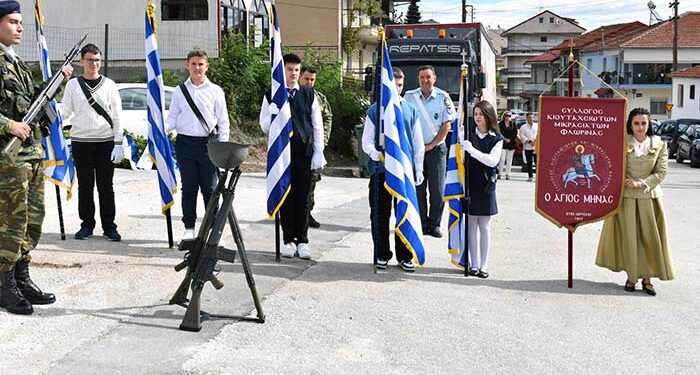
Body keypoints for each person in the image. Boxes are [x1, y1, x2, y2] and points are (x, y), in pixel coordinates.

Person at [0, 1, 73, 315]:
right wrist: (8, 125)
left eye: (21, 22)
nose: (20, 27)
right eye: (14, 21)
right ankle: (4, 284)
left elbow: (30, 105)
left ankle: (21, 275)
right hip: (8, 156)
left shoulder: (17, 63)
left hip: (30, 152)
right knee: (11, 221)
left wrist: (59, 82)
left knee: (32, 218)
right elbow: (13, 117)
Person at [595, 108, 674, 296]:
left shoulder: (659, 144)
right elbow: (611, 165)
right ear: (630, 124)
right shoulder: (621, 143)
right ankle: (632, 276)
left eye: (644, 123)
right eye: (636, 123)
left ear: (649, 124)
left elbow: (661, 172)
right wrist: (623, 182)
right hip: (626, 197)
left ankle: (647, 279)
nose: (640, 127)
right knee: (629, 237)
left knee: (649, 238)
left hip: (650, 198)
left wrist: (642, 182)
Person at [260, 53, 325, 259]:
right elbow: (264, 126)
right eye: (290, 70)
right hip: (283, 154)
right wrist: (273, 115)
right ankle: (288, 239)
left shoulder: (308, 94)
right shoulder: (273, 94)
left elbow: (317, 125)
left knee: (303, 198)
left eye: (297, 70)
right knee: (286, 197)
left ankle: (302, 240)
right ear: (282, 70)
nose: (294, 74)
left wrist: (318, 152)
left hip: (303, 153)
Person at [362, 68, 424, 272]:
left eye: (399, 85)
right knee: (380, 214)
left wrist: (418, 169)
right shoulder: (375, 110)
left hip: (404, 172)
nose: (396, 89)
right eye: (392, 85)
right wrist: (377, 155)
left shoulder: (410, 110)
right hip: (381, 171)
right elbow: (366, 142)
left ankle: (404, 255)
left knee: (403, 212)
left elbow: (418, 143)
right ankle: (381, 253)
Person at [61, 44, 123, 241]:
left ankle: (109, 226)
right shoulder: (72, 85)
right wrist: (50, 116)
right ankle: (87, 225)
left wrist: (118, 142)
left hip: (105, 142)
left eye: (97, 60)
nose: (93, 64)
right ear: (81, 61)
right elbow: (65, 112)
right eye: (89, 60)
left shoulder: (110, 85)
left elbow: (117, 116)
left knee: (106, 186)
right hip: (81, 142)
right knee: (85, 187)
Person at [166, 50, 230, 240]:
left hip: (208, 144)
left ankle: (212, 228)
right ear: (187, 65)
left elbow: (223, 121)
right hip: (185, 143)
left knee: (210, 189)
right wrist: (161, 129)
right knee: (189, 187)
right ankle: (189, 227)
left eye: (201, 64)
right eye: (193, 64)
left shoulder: (215, 91)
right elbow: (173, 117)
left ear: (207, 66)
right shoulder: (179, 91)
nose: (197, 68)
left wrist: (223, 148)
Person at [404, 65, 455, 238]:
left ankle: (434, 224)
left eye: (428, 77)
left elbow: (446, 126)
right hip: (416, 150)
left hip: (436, 149)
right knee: (419, 187)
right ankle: (422, 223)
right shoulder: (409, 97)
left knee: (438, 191)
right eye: (422, 78)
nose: (425, 81)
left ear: (434, 79)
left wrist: (431, 145)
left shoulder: (443, 97)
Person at [460, 100, 503, 278]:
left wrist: (472, 151)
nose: (478, 117)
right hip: (471, 184)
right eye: (475, 114)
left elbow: (492, 161)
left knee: (484, 226)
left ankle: (484, 265)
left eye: (481, 114)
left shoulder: (496, 139)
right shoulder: (468, 135)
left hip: (486, 187)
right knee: (471, 225)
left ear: (488, 116)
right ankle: (474, 264)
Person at [300, 66, 332, 229]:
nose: (309, 82)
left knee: (311, 182)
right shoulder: (294, 95)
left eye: (312, 79)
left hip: (314, 147)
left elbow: (327, 118)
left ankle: (307, 213)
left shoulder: (319, 98)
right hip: (298, 147)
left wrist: (323, 141)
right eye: (306, 79)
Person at [517, 112, 537, 182]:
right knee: (529, 162)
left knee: (537, 162)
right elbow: (521, 136)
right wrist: (528, 141)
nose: (531, 119)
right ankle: (530, 176)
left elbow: (539, 134)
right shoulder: (523, 127)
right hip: (527, 147)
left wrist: (535, 141)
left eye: (532, 117)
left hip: (536, 147)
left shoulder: (537, 126)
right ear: (527, 118)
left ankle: (537, 177)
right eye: (529, 117)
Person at [497, 111, 517, 180]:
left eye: (509, 116)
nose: (508, 117)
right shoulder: (500, 124)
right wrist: (505, 139)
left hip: (511, 144)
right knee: (502, 159)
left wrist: (510, 140)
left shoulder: (513, 124)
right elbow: (498, 133)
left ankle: (507, 174)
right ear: (504, 116)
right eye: (506, 115)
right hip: (503, 143)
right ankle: (500, 173)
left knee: (509, 160)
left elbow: (515, 133)